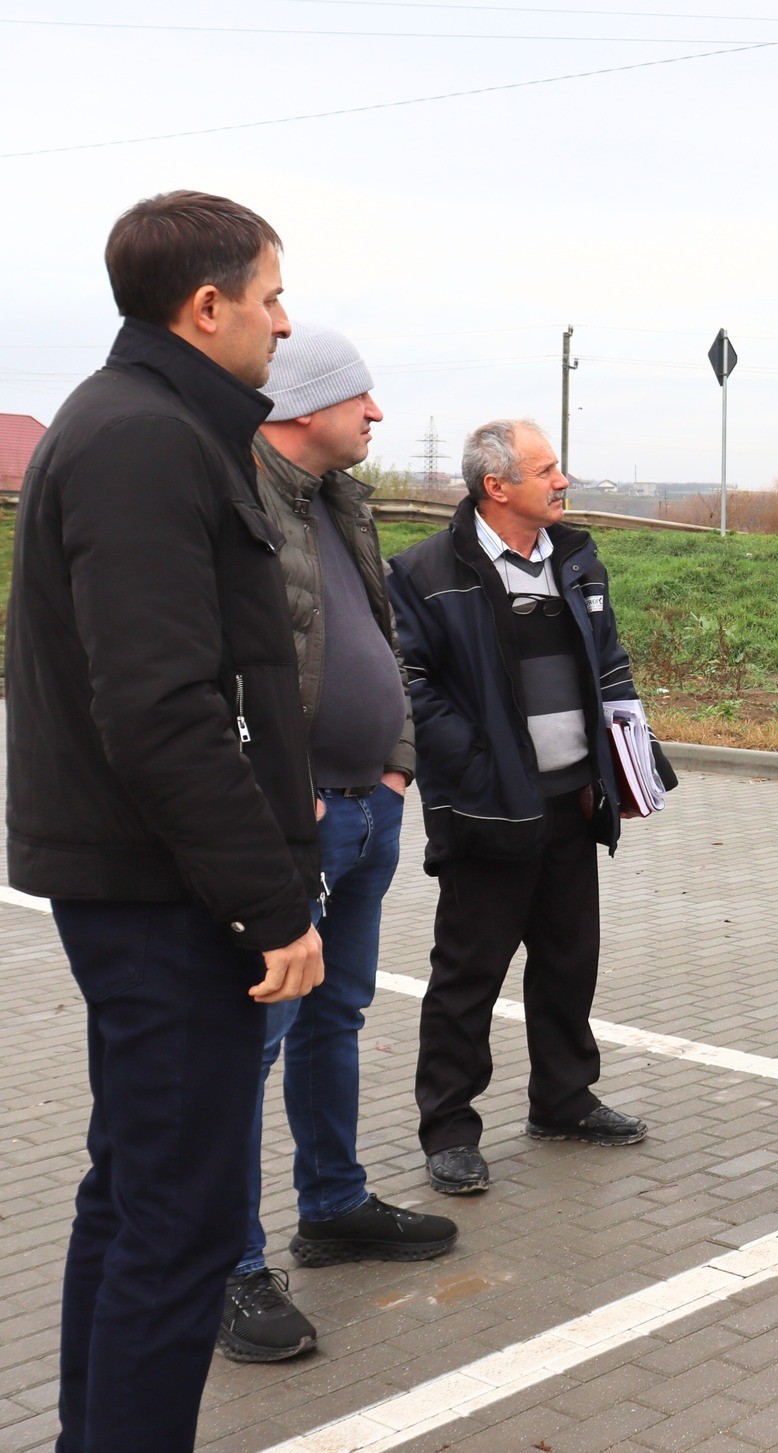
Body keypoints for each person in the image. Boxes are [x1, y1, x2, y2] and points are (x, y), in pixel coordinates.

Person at [6, 190, 324, 1452]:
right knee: (182, 1223)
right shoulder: (144, 438)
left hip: (154, 886)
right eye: (270, 297)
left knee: (135, 1193)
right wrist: (270, 903)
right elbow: (160, 708)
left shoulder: (149, 421)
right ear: (205, 306)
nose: (283, 322)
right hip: (166, 901)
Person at [216, 325, 459, 1364]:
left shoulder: (341, 501)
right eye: (362, 397)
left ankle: (332, 1204)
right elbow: (221, 669)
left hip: (368, 806)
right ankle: (227, 1267)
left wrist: (396, 765)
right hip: (294, 820)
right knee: (252, 1043)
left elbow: (383, 640)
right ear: (308, 404)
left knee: (336, 1016)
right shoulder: (234, 497)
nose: (377, 415)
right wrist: (275, 798)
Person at [388, 419, 672, 1194]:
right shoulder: (424, 571)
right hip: (488, 811)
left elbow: (608, 662)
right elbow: (410, 685)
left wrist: (628, 766)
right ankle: (449, 1128)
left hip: (571, 803)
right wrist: (482, 765)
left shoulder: (576, 559)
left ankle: (563, 1099)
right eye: (547, 469)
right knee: (468, 974)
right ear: (497, 485)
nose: (563, 481)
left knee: (568, 960)